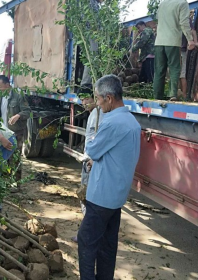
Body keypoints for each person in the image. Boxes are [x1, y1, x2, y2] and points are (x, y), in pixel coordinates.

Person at [77, 75, 141, 280]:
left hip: (102, 196)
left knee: (86, 240)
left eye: (98, 99)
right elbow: (117, 155)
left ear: (109, 98)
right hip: (117, 195)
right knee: (107, 245)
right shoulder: (131, 121)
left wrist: (94, 153)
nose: (97, 103)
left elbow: (92, 149)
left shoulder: (112, 122)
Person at [72, 84, 104, 243]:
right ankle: (87, 232)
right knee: (85, 194)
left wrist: (93, 159)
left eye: (86, 98)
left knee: (87, 196)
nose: (84, 102)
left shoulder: (99, 114)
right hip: (88, 159)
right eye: (81, 100)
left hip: (92, 161)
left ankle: (86, 234)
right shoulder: (93, 114)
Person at [153, 0, 195, 101]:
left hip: (159, 42)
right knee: (175, 68)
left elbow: (158, 20)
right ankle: (172, 95)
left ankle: (157, 96)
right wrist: (190, 39)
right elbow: (184, 22)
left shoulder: (162, 3)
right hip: (172, 41)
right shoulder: (182, 3)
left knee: (159, 70)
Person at [0, 75, 31, 188]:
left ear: (7, 85)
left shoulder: (18, 95)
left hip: (16, 132)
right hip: (4, 132)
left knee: (15, 158)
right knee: (4, 157)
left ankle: (16, 184)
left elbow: (27, 111)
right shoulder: (0, 96)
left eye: (0, 86)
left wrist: (18, 115)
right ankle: (6, 182)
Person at [180, 12, 197, 99]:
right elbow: (193, 31)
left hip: (181, 49)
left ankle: (184, 95)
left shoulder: (185, 18)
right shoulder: (185, 18)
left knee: (182, 74)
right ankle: (183, 94)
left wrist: (194, 42)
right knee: (181, 73)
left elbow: (193, 31)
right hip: (181, 49)